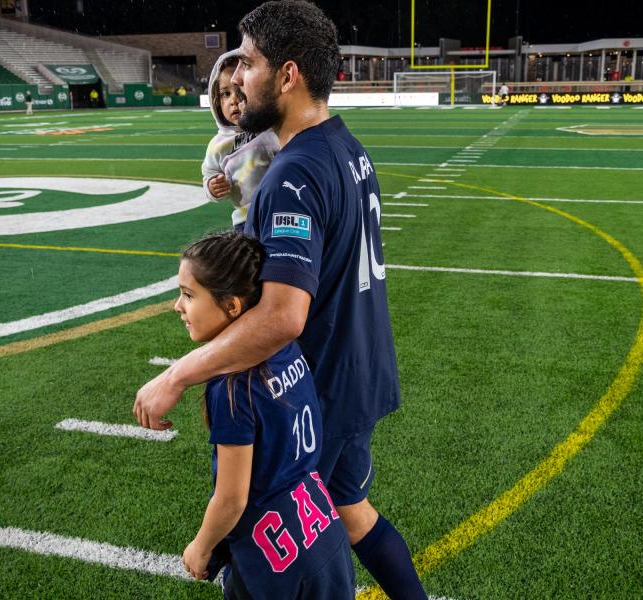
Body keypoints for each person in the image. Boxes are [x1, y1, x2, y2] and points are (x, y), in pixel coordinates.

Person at [134, 2, 428, 598]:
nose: (235, 77)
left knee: (264, 553)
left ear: (287, 75)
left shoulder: (292, 174)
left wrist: (177, 376)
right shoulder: (345, 146)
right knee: (350, 512)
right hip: (359, 371)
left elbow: (284, 314)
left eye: (247, 62)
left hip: (318, 395)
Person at [176, 231, 354, 598]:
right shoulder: (286, 349)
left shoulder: (231, 388)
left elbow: (231, 499)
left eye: (189, 295)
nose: (177, 306)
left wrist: (201, 547)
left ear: (232, 306)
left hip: (275, 558)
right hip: (323, 532)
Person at [202, 50, 279, 230]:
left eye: (241, 91)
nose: (234, 100)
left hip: (279, 208)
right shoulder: (217, 145)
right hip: (244, 219)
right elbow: (209, 173)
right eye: (225, 94)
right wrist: (212, 187)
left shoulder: (268, 127)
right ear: (216, 101)